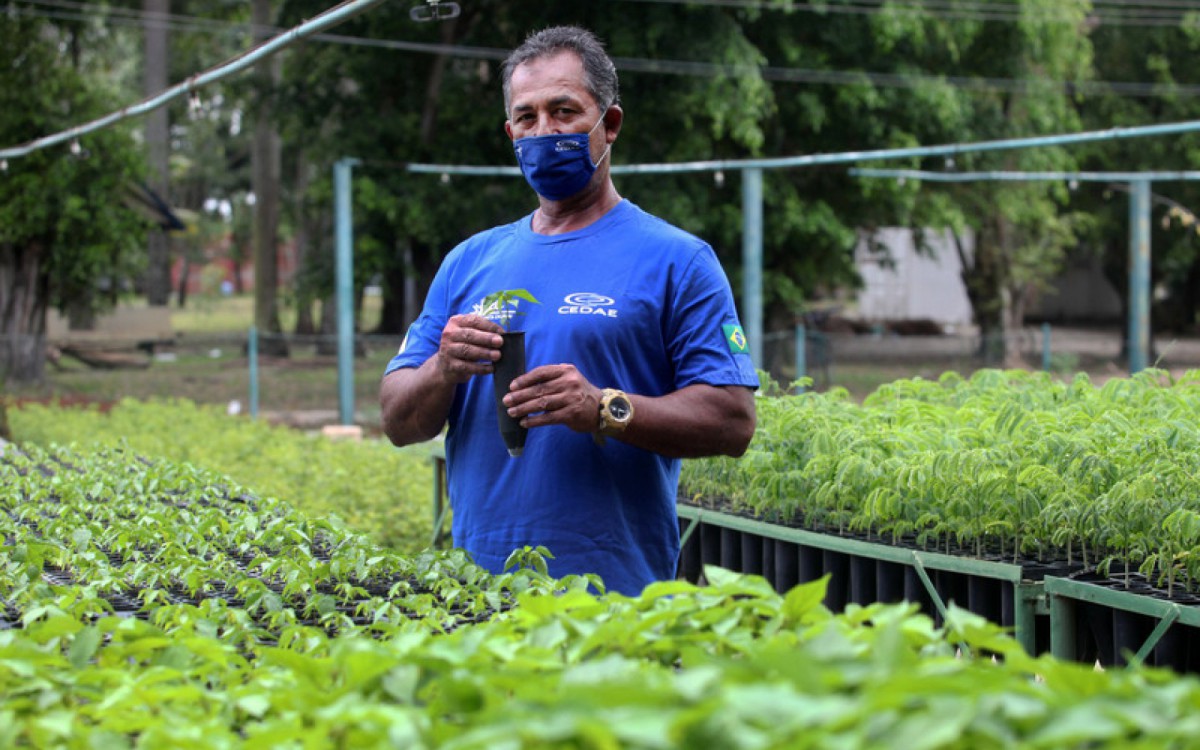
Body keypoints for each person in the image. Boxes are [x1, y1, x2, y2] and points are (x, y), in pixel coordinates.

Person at [380, 25, 758, 596]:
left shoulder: (678, 260)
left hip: (615, 599)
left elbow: (733, 421)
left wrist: (604, 407)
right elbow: (399, 422)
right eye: (526, 118)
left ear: (609, 124)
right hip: (475, 597)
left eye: (563, 111)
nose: (543, 131)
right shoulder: (469, 261)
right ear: (510, 132)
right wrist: (442, 368)